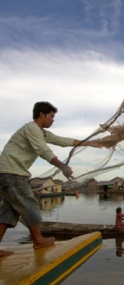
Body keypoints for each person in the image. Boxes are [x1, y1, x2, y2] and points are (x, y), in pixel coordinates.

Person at [0, 101, 103, 257]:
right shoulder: (31, 129)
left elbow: (63, 141)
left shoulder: (42, 133)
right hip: (12, 173)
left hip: (7, 173)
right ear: (41, 115)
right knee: (30, 205)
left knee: (8, 213)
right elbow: (43, 150)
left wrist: (88, 143)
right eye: (51, 116)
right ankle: (38, 241)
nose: (53, 120)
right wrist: (63, 167)